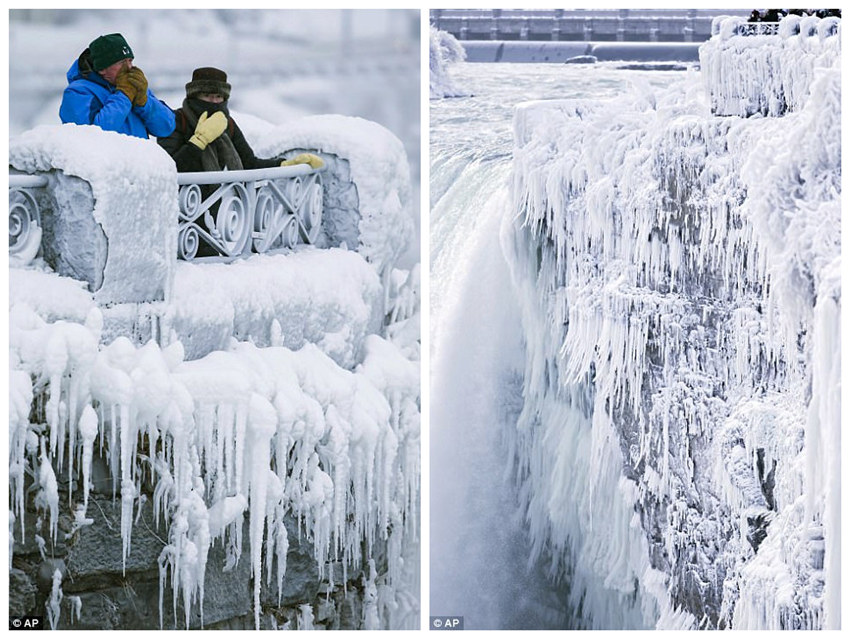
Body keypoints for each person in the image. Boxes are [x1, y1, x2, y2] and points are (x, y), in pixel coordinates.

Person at [157, 66, 323, 173]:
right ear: (194, 96)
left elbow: (249, 163)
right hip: (183, 212)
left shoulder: (227, 124)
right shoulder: (176, 120)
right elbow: (169, 169)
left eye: (218, 97)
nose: (214, 102)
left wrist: (286, 165)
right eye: (207, 96)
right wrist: (199, 141)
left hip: (222, 213)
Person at [60, 33, 175, 139]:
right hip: (106, 161)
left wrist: (144, 102)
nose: (129, 67)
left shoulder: (133, 86)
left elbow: (166, 128)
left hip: (138, 160)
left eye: (130, 61)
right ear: (102, 68)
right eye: (121, 63)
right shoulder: (78, 92)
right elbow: (92, 136)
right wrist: (124, 96)